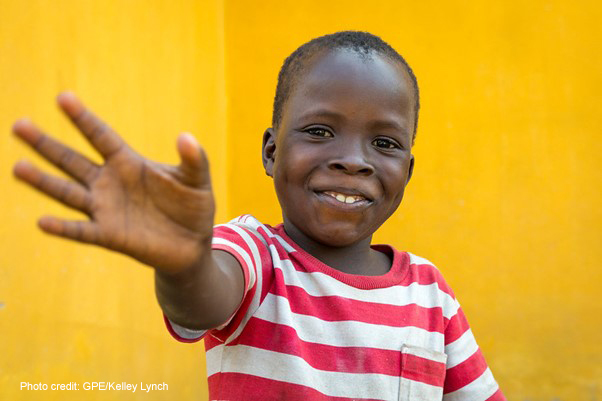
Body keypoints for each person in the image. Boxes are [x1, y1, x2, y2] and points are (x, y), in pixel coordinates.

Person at [12, 31, 505, 400]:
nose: (353, 159)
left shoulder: (430, 293)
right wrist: (183, 262)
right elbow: (202, 299)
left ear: (408, 170)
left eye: (384, 142)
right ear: (271, 151)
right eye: (319, 131)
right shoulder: (254, 255)